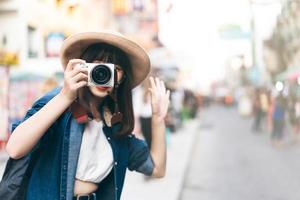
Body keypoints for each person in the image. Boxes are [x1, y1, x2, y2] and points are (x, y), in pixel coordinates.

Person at [3, 32, 170, 200]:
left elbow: (156, 169)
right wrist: (65, 96)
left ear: (121, 78)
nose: (104, 73)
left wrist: (158, 119)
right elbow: (15, 148)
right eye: (98, 65)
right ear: (83, 67)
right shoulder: (57, 104)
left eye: (116, 69)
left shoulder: (114, 124)